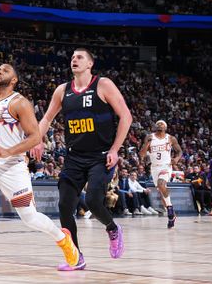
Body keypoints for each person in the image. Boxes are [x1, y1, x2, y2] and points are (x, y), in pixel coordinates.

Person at [0, 64, 79, 280]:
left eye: (5, 70)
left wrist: (8, 150)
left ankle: (63, 238)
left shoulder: (20, 102)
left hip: (12, 165)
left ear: (14, 80)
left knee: (29, 217)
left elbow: (35, 137)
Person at [33, 47, 132, 270]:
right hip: (74, 158)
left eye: (79, 57)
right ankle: (75, 257)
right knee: (64, 206)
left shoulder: (103, 84)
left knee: (94, 202)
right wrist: (38, 139)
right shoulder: (62, 90)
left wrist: (115, 149)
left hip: (100, 157)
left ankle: (112, 228)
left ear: (90, 64)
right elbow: (47, 118)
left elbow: (126, 116)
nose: (74, 60)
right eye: (72, 57)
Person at [139, 120, 182, 227]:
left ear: (165, 127)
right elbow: (142, 154)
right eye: (158, 124)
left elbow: (179, 151)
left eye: (162, 124)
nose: (159, 125)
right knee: (162, 193)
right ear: (155, 126)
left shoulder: (171, 138)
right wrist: (147, 143)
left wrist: (176, 158)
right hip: (154, 168)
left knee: (161, 184)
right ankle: (171, 215)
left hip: (166, 166)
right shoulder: (150, 137)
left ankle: (170, 209)